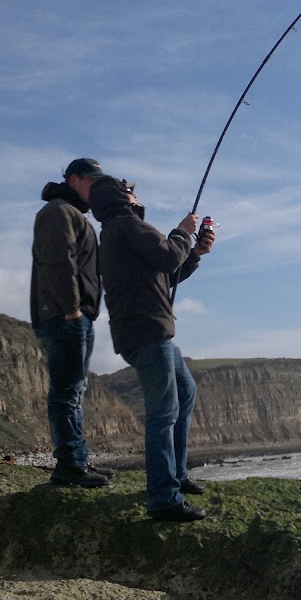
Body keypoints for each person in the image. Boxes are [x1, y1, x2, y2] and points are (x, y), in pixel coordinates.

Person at [89, 175, 215, 522]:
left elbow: (165, 274)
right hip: (148, 331)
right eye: (130, 191)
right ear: (120, 197)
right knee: (164, 413)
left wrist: (195, 253)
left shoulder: (118, 232)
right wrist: (183, 231)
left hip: (146, 331)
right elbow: (166, 257)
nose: (135, 194)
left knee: (185, 393)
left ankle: (175, 476)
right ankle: (163, 497)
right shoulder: (128, 226)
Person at [29, 157, 114, 488]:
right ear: (74, 179)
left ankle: (78, 461)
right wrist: (71, 308)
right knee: (67, 392)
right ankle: (70, 466)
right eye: (93, 182)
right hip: (64, 315)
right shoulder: (58, 212)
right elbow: (58, 258)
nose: (97, 190)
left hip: (72, 315)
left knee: (74, 391)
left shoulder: (72, 214)